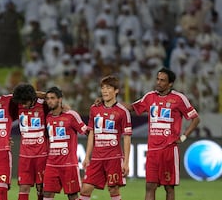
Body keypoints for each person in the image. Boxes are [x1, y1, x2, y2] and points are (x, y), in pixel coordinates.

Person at [125, 67, 200, 200]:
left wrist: (183, 137)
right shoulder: (150, 97)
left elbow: (196, 118)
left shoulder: (179, 98)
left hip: (169, 150)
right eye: (158, 79)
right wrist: (109, 103)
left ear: (170, 83)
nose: (158, 82)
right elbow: (131, 107)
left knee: (169, 187)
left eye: (162, 80)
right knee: (149, 186)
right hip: (152, 150)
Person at [80, 76, 132, 200]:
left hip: (113, 157)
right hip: (97, 158)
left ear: (116, 91)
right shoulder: (94, 108)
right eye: (102, 88)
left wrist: (126, 162)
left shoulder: (123, 112)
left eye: (108, 88)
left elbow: (127, 137)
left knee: (113, 189)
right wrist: (87, 156)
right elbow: (91, 133)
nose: (104, 91)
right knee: (85, 188)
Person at [43, 86, 88, 200]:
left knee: (72, 196)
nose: (49, 101)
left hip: (69, 165)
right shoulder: (47, 117)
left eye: (53, 98)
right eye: (47, 98)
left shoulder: (71, 115)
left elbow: (87, 132)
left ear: (60, 99)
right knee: (47, 195)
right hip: (51, 164)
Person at [12, 83, 50, 200]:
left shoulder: (44, 105)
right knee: (23, 187)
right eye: (21, 102)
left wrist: (43, 95)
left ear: (32, 98)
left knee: (41, 187)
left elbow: (57, 100)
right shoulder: (17, 105)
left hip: (42, 153)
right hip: (25, 155)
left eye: (25, 102)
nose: (23, 104)